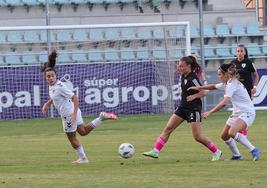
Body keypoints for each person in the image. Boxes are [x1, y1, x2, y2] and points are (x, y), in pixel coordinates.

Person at [41, 50, 118, 164]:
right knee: (83, 131)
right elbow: (57, 98)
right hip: (72, 112)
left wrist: (73, 115)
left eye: (52, 76)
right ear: (45, 78)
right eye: (48, 76)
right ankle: (101, 118)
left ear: (56, 76)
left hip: (69, 115)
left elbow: (75, 97)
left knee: (72, 139)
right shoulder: (52, 87)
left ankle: (83, 159)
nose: (51, 78)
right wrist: (48, 103)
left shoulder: (60, 86)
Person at [143, 56, 222, 161]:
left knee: (197, 136)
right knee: (168, 128)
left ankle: (217, 151)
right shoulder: (183, 76)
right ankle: (155, 151)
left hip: (193, 109)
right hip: (183, 107)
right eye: (178, 66)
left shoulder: (193, 78)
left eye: (181, 66)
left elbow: (204, 92)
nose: (179, 68)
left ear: (188, 66)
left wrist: (194, 96)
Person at [189, 63, 260, 161]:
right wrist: (199, 88)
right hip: (237, 113)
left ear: (226, 74)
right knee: (224, 136)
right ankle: (237, 155)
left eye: (220, 74)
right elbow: (213, 86)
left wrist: (210, 112)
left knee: (232, 132)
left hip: (247, 112)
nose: (219, 77)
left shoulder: (231, 84)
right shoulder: (228, 83)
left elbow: (224, 103)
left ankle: (254, 149)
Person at [231, 44, 260, 136]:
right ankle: (236, 128)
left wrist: (254, 87)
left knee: (246, 110)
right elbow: (230, 77)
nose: (239, 53)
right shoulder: (232, 63)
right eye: (238, 51)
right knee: (237, 109)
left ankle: (244, 129)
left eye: (241, 51)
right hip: (236, 92)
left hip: (247, 91)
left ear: (245, 53)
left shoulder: (249, 63)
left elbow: (256, 76)